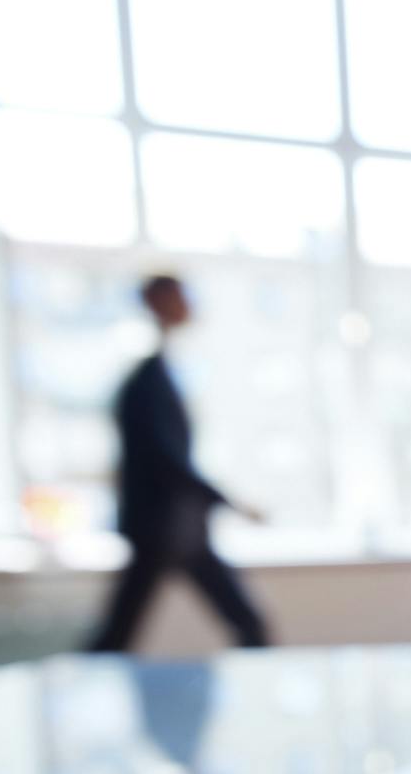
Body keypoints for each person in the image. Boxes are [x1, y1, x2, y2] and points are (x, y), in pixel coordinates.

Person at [86, 276, 272, 653]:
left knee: (247, 624)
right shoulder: (146, 381)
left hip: (180, 528)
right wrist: (231, 502)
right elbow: (167, 460)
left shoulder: (159, 375)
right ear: (160, 303)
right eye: (180, 298)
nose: (188, 305)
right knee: (116, 636)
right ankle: (69, 695)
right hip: (162, 529)